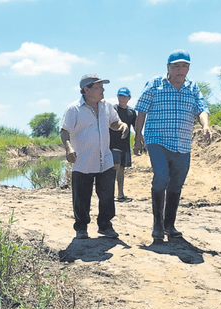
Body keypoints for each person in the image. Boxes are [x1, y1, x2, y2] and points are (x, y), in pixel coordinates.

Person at [133, 50, 212, 241]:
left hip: (183, 143)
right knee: (161, 177)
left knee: (176, 183)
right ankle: (157, 224)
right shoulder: (155, 84)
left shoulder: (192, 87)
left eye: (184, 66)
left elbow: (201, 108)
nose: (180, 70)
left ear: (189, 68)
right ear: (168, 68)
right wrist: (138, 136)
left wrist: (206, 125)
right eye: (176, 66)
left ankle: (169, 224)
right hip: (157, 140)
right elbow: (141, 110)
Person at [60, 74, 129, 239]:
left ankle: (105, 226)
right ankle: (81, 228)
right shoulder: (74, 109)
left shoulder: (107, 106)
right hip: (83, 161)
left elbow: (113, 122)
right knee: (81, 198)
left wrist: (121, 125)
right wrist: (68, 148)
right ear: (86, 90)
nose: (102, 90)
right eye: (98, 87)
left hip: (105, 159)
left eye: (102, 87)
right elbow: (64, 130)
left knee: (107, 196)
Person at [111, 87, 137, 202]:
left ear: (129, 98)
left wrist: (140, 140)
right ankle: (109, 193)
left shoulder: (131, 112)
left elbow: (136, 128)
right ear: (117, 97)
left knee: (121, 170)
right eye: (120, 96)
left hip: (125, 145)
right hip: (112, 145)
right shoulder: (112, 109)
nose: (122, 98)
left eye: (125, 96)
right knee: (113, 168)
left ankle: (120, 194)